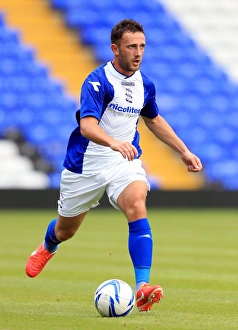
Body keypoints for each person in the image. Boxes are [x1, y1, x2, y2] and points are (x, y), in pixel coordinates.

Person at [26, 19, 202, 312]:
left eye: (142, 46)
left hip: (124, 160)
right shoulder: (97, 81)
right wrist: (113, 142)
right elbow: (87, 127)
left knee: (136, 203)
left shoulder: (145, 84)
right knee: (66, 229)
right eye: (131, 46)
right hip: (86, 164)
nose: (138, 52)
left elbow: (154, 119)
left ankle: (143, 287)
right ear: (115, 48)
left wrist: (183, 150)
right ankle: (48, 245)